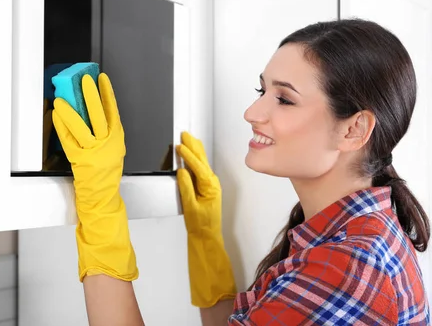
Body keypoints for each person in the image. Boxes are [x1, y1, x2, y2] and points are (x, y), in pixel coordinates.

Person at [51, 18, 430, 325]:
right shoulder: (350, 236)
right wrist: (206, 241)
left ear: (353, 130)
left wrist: (100, 208)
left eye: (284, 99)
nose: (252, 113)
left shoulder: (347, 267)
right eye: (260, 90)